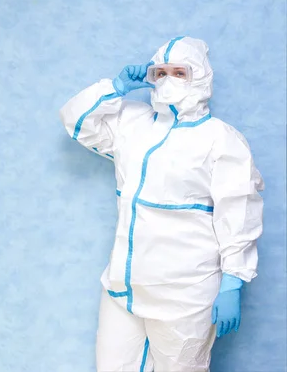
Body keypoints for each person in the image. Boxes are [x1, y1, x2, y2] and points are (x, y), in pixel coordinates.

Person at [59, 36, 264, 372]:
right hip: (123, 287)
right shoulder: (133, 124)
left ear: (200, 76)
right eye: (161, 72)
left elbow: (239, 212)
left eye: (179, 72)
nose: (169, 81)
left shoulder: (221, 139)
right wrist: (115, 87)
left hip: (185, 294)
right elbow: (76, 122)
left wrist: (233, 280)